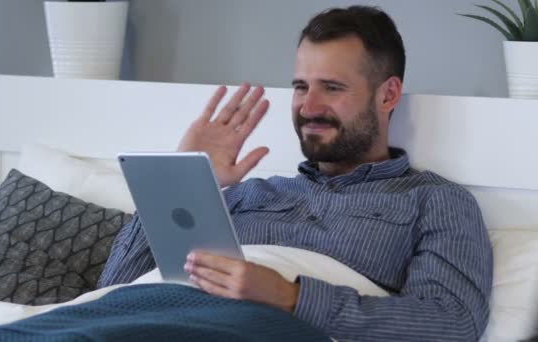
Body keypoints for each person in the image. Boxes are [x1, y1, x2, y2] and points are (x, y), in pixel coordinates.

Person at [98, 5, 493, 341]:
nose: (309, 106)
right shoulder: (247, 194)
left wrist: (291, 297)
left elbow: (450, 323)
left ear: (387, 94)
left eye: (332, 88)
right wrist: (180, 179)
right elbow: (112, 292)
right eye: (301, 86)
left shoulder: (434, 201)